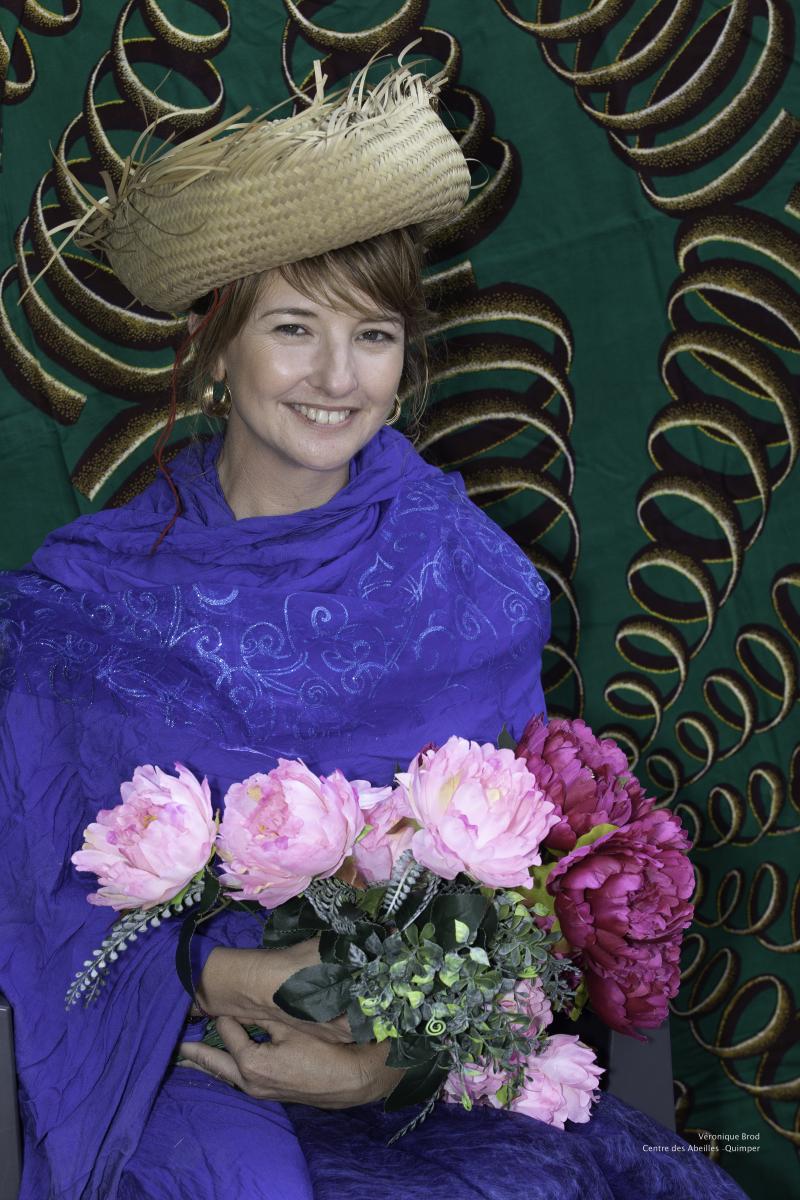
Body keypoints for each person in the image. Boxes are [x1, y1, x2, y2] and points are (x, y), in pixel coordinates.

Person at [0, 54, 748, 1200]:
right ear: (216, 345)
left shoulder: (470, 582)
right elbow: (37, 890)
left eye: (374, 335)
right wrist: (216, 979)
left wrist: (382, 1063)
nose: (336, 377)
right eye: (293, 328)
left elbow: (523, 897)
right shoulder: (88, 602)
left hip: (422, 1068)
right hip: (175, 1065)